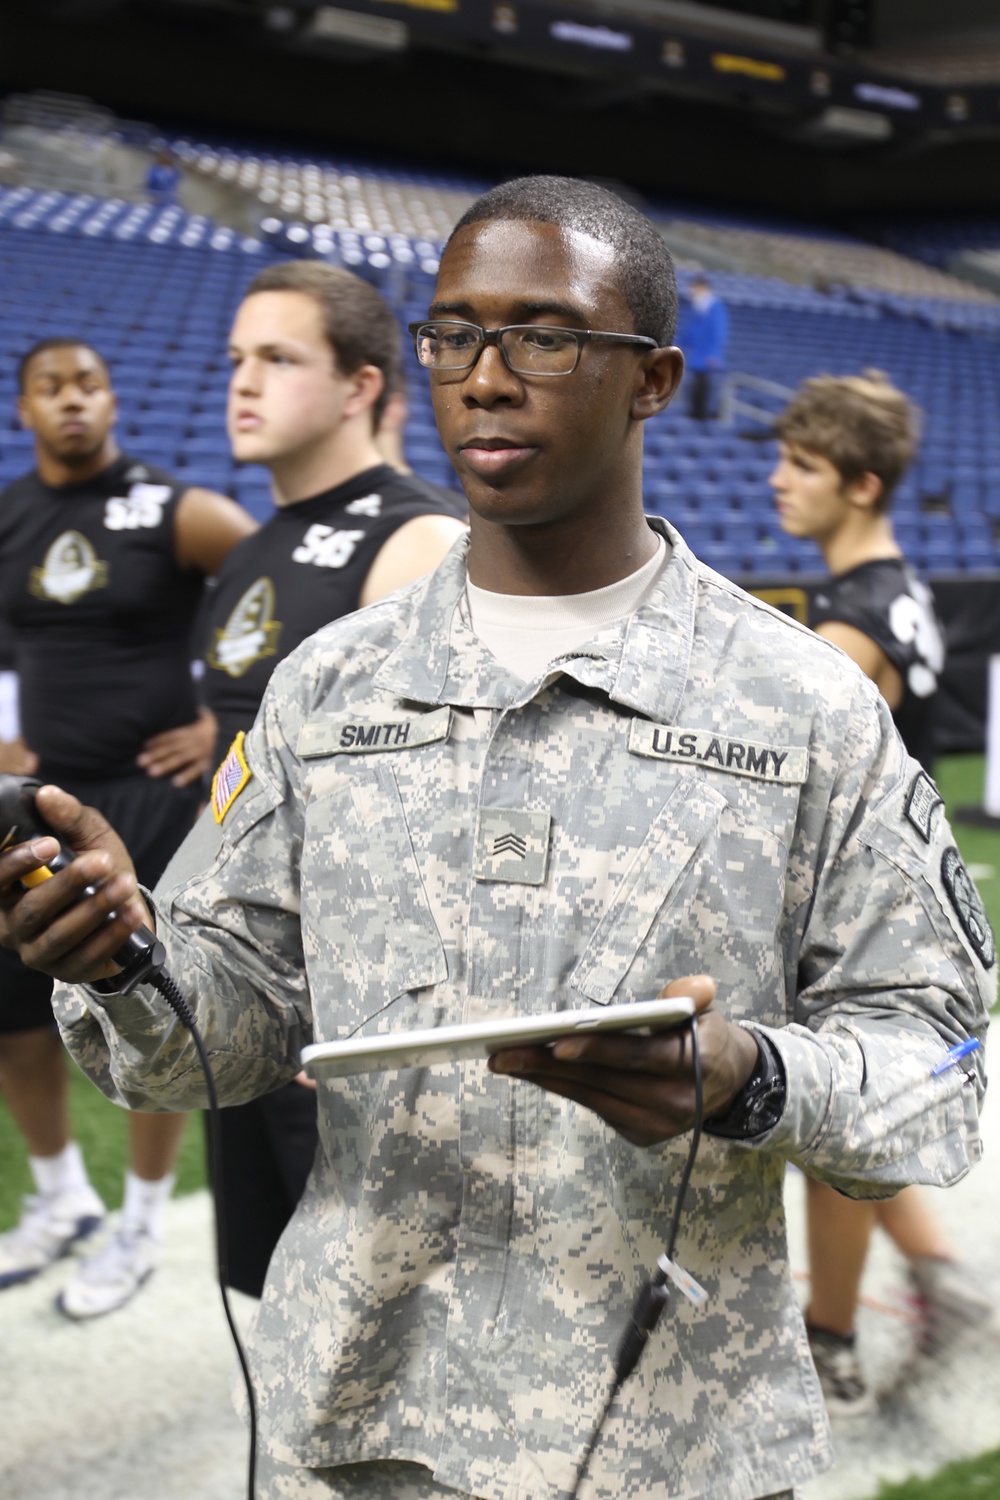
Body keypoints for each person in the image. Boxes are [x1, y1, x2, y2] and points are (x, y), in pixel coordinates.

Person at [0, 178, 991, 1500]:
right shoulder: (328, 689)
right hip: (353, 1424)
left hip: (669, 1446)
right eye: (455, 335)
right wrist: (125, 958)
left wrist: (752, 1076)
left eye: (545, 335)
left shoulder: (806, 705)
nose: (486, 375)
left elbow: (944, 1062)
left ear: (654, 380)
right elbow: (216, 1039)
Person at [199, 259, 467, 1296]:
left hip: (349, 1022)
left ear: (361, 385)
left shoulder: (416, 539)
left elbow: (437, 815)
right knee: (265, 1299)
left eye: (278, 357)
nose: (243, 382)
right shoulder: (249, 543)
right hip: (238, 988)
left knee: (375, 1314)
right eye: (236, 359)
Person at [0, 337, 256, 1318]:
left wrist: (214, 720)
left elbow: (275, 597)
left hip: (147, 802)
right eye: (51, 389)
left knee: (149, 1014)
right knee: (14, 1010)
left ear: (114, 402)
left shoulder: (172, 507)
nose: (72, 402)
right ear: (25, 410)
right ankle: (63, 1197)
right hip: (39, 807)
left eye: (90, 385)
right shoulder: (12, 519)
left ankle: (142, 1219)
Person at [770, 369, 995, 1416]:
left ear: (859, 485)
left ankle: (828, 1343)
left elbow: (787, 780)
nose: (778, 482)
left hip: (860, 919)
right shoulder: (889, 587)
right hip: (884, 903)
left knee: (827, 1133)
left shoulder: (853, 626)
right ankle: (942, 1289)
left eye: (801, 467)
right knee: (843, 1132)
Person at [677, 273, 728, 420]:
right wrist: (680, 343)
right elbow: (691, 331)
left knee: (705, 387)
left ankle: (702, 415)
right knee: (695, 386)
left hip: (707, 357)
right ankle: (695, 413)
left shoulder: (715, 306)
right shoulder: (696, 307)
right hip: (697, 355)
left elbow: (719, 332)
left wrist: (713, 354)